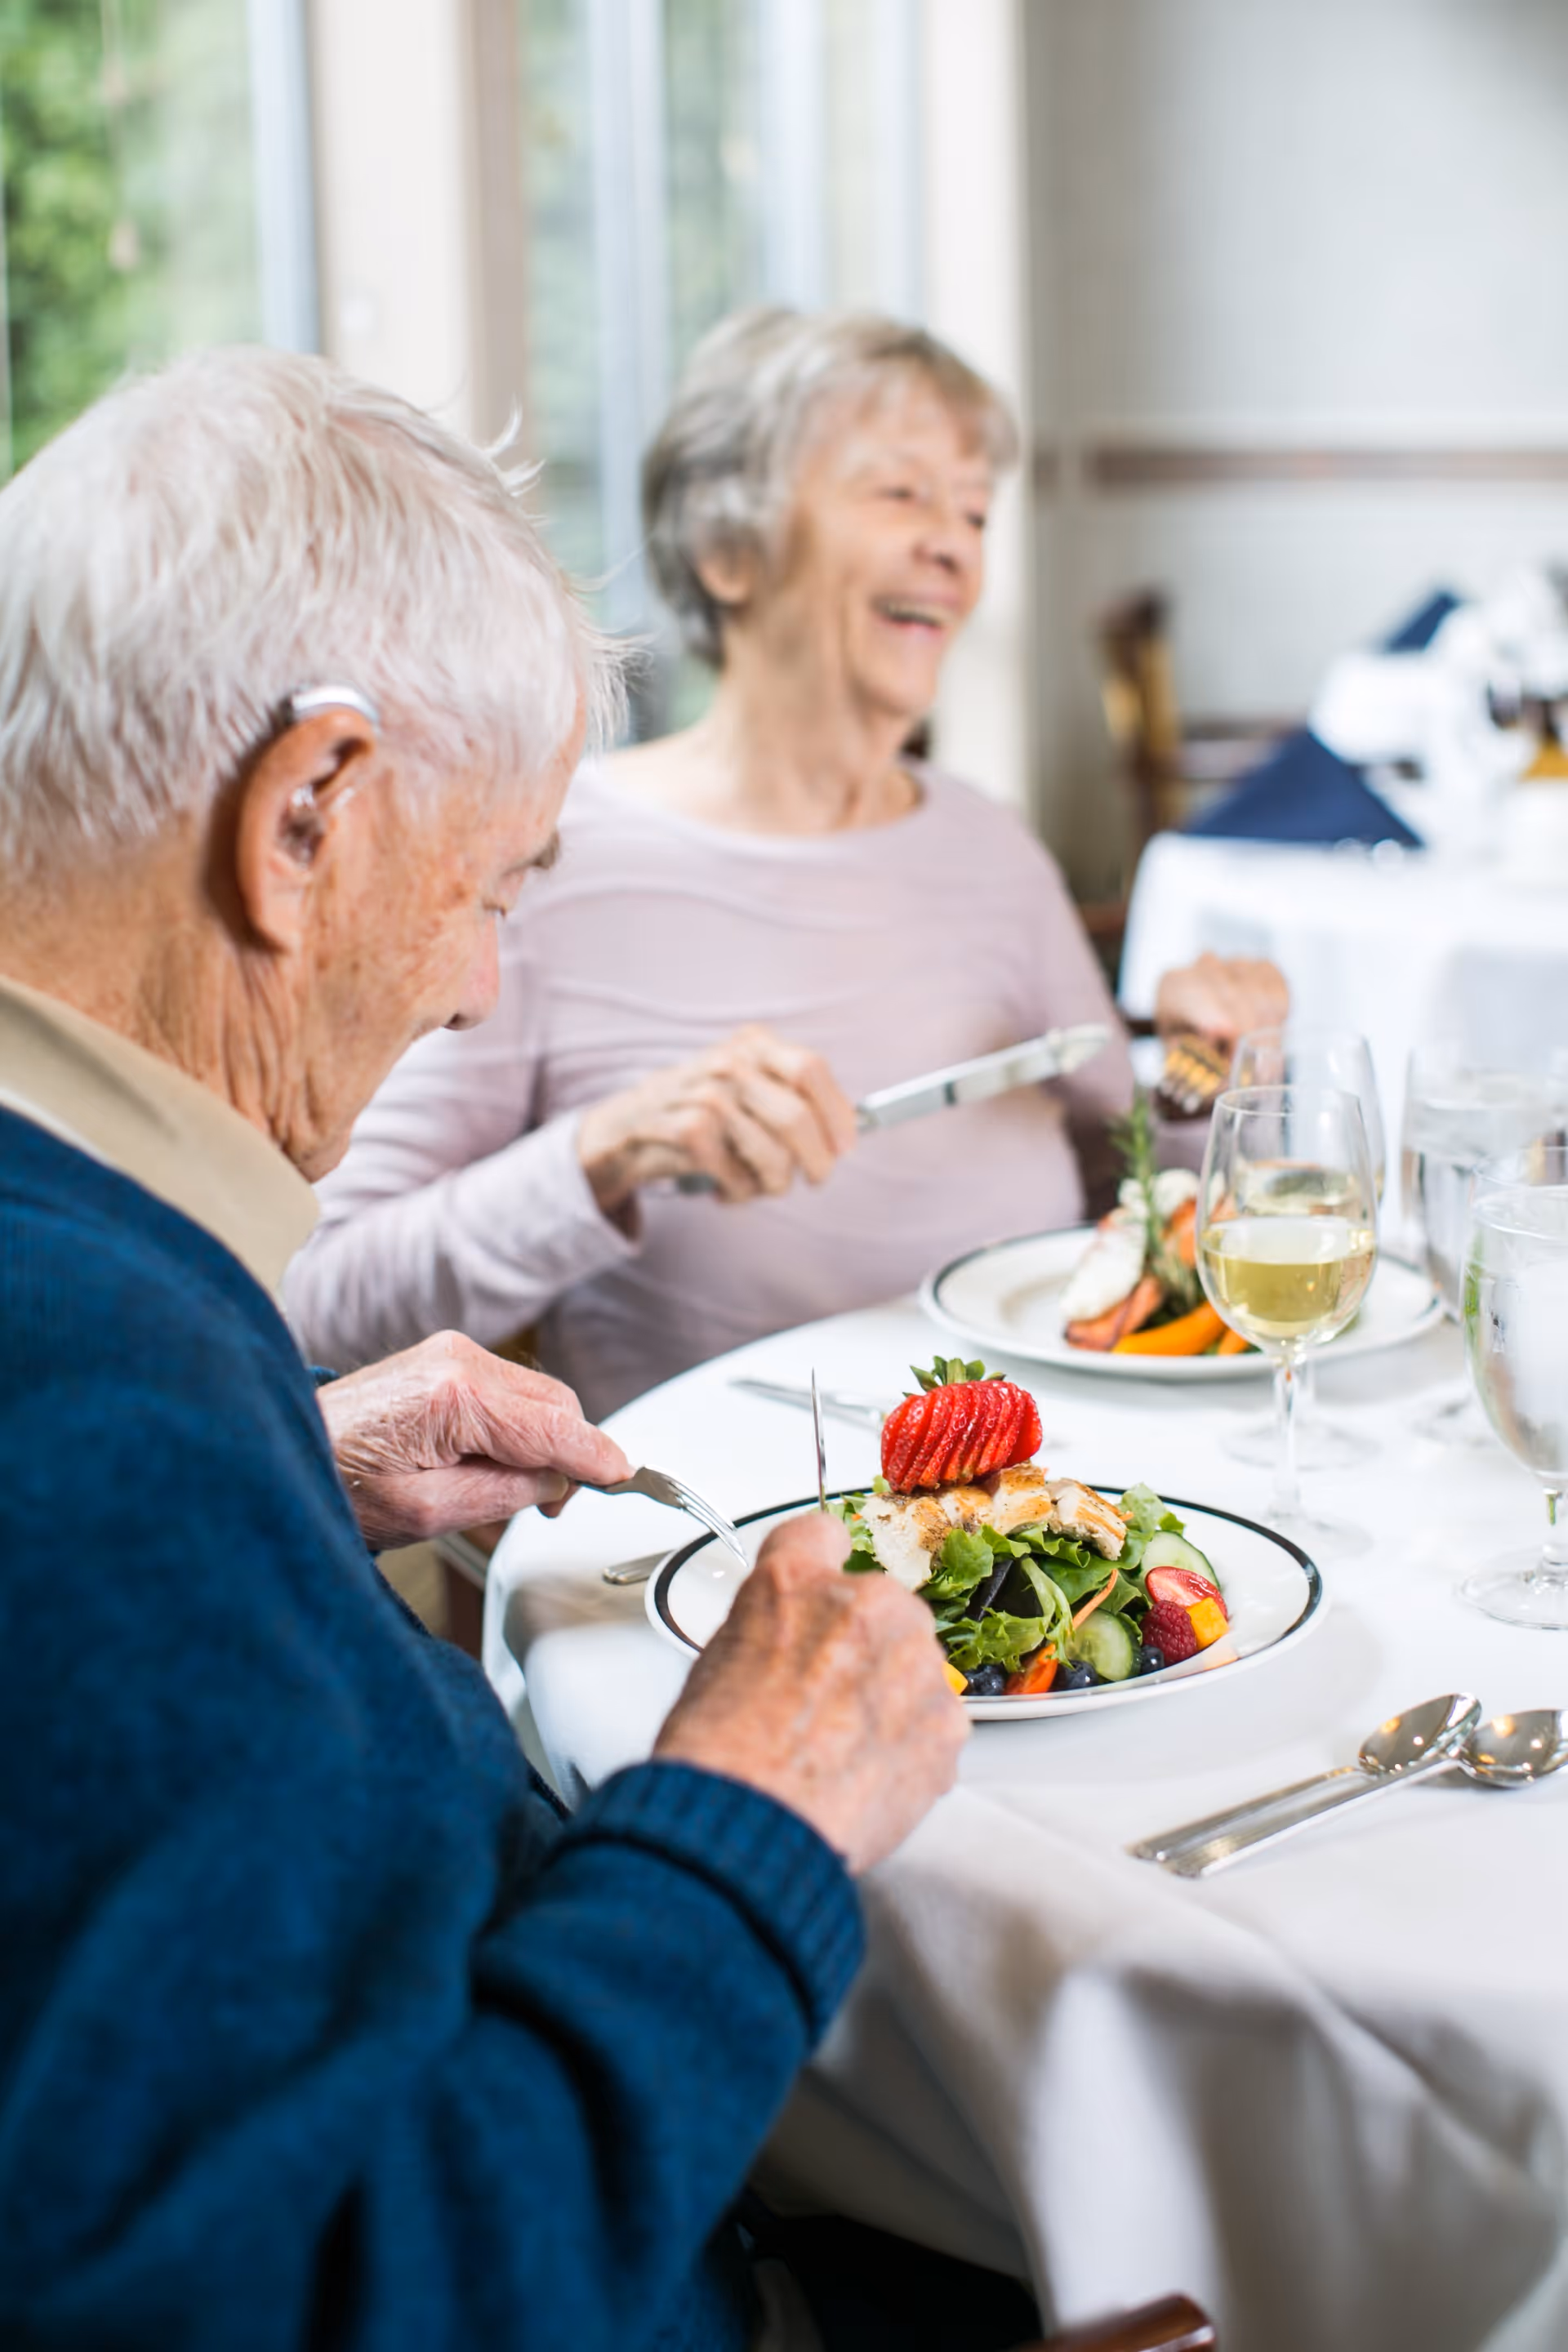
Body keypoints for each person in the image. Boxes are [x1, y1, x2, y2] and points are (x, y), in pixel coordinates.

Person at [0, 349, 973, 2350]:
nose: (478, 987)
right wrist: (748, 1825)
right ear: (310, 816)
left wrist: (292, 1473)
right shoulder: (100, 1393)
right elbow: (323, 2304)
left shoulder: (102, 1337)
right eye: (491, 890)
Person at [285, 308, 1285, 1419]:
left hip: (1043, 1511)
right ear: (727, 551)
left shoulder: (987, 846)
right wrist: (604, 1156)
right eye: (902, 494)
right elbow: (323, 1303)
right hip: (730, 1538)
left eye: (973, 510)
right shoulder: (546, 859)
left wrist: (1208, 1077)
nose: (956, 548)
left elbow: (1133, 1190)